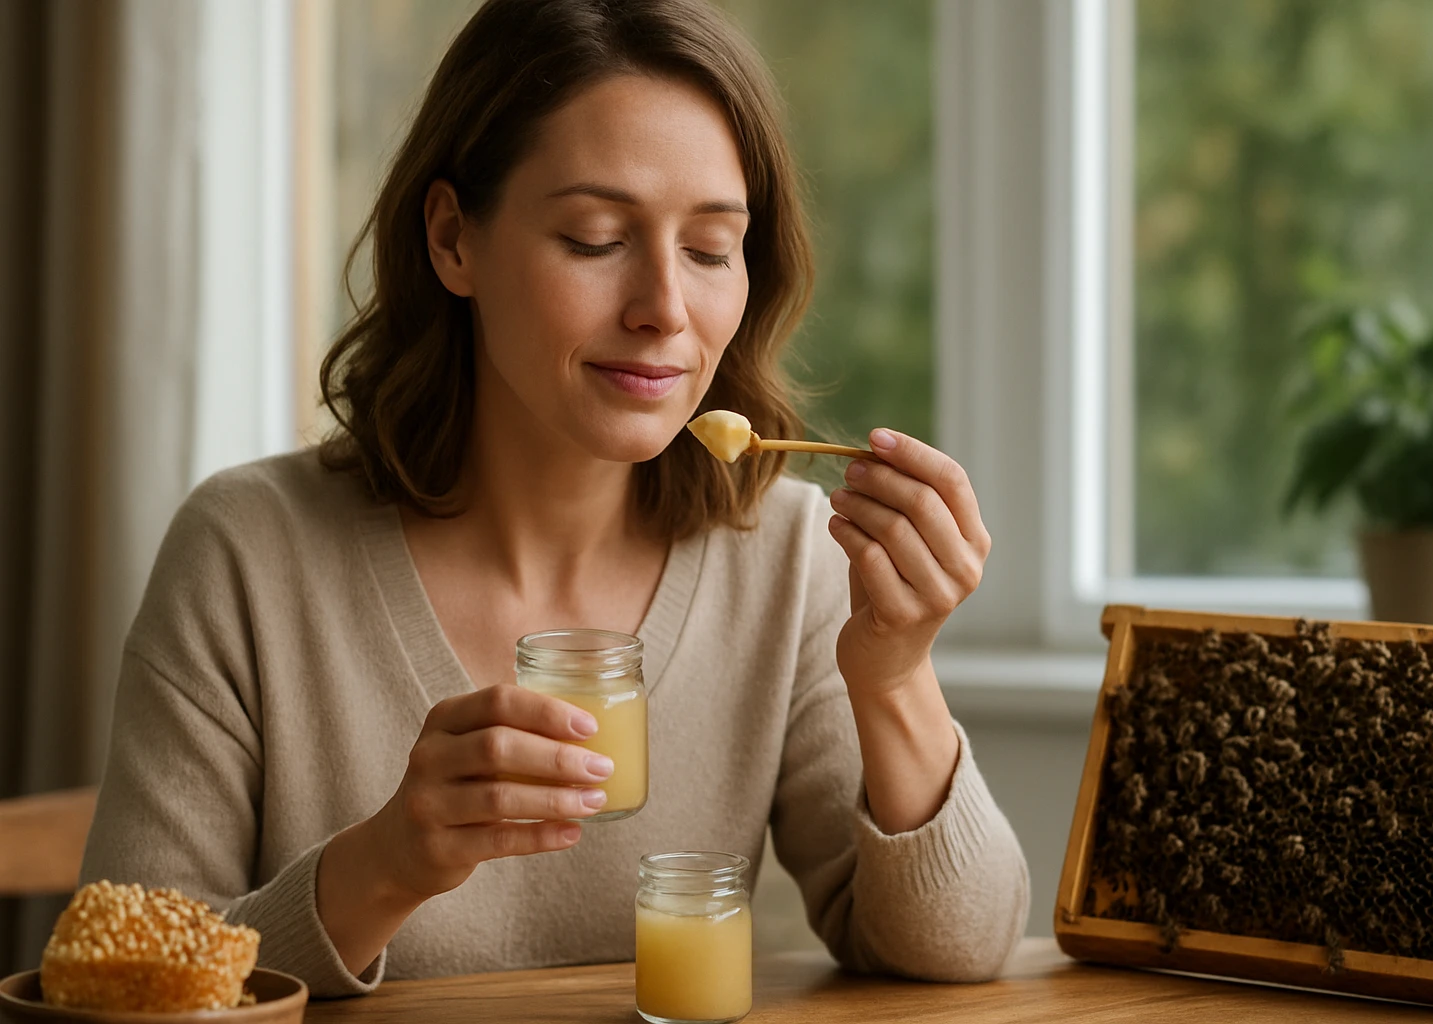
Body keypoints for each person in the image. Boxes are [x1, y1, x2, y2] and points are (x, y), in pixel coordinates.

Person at [80, 0, 1028, 998]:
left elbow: (955, 948)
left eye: (710, 251)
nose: (665, 307)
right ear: (453, 240)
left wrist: (894, 677)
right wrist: (386, 864)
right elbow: (121, 983)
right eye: (592, 238)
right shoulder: (246, 554)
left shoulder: (789, 554)